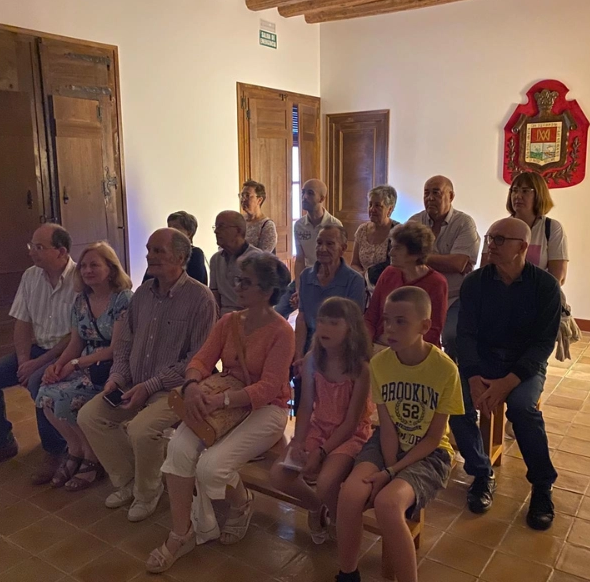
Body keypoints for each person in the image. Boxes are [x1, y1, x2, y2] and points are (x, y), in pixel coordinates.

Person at [146, 253, 293, 573]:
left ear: (267, 291)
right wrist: (193, 385)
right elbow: (200, 359)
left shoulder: (282, 331)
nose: (237, 286)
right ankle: (181, 533)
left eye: (245, 282)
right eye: (237, 279)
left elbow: (270, 387)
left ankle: (242, 504)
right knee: (178, 448)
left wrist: (224, 401)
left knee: (212, 466)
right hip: (222, 402)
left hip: (266, 410)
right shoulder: (229, 322)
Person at [78, 228, 216, 522]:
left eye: (158, 251)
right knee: (89, 416)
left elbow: (198, 359)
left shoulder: (200, 299)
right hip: (132, 382)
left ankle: (147, 493)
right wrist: (116, 377)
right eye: (148, 249)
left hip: (174, 390)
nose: (149, 256)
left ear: (180, 257)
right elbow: (125, 344)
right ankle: (127, 482)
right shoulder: (142, 294)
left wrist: (150, 385)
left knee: (141, 428)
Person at [335, 287, 464, 582]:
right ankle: (347, 574)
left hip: (429, 453)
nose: (390, 329)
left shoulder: (445, 370)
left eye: (401, 322)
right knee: (351, 494)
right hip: (386, 444)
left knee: (388, 504)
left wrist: (391, 472)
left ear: (424, 326)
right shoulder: (380, 364)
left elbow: (434, 438)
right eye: (387, 320)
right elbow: (387, 426)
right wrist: (389, 467)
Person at [449, 218, 561, 531]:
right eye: (490, 238)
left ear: (523, 247)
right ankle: (482, 473)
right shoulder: (476, 283)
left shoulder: (546, 287)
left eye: (500, 240)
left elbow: (542, 345)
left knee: (524, 409)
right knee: (455, 403)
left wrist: (507, 383)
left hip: (523, 365)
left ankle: (541, 486)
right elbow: (465, 336)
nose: (491, 245)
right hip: (483, 361)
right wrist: (472, 377)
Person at [0, 224, 75, 484]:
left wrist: (37, 365)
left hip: (68, 352)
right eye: (31, 246)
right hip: (38, 350)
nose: (31, 253)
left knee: (39, 381)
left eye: (39, 247)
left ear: (61, 251)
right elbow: (22, 322)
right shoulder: (31, 276)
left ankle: (55, 451)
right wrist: (24, 360)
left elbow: (76, 334)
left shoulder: (80, 278)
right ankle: (0, 443)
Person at [270, 297, 374, 544]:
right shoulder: (311, 360)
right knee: (278, 475)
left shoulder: (361, 369)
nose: (325, 328)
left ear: (351, 329)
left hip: (350, 434)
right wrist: (299, 440)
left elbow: (351, 422)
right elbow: (305, 406)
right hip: (318, 427)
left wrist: (322, 451)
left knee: (327, 482)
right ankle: (317, 507)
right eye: (323, 321)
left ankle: (341, 522)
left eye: (334, 323)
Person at [36, 242, 133, 491]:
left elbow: (115, 348)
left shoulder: (123, 299)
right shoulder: (80, 301)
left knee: (67, 397)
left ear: (110, 269)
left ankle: (91, 457)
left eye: (95, 265)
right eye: (85, 266)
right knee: (45, 393)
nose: (88, 270)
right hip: (84, 364)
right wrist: (57, 366)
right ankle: (76, 449)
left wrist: (76, 364)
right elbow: (75, 342)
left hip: (113, 368)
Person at [408, 175, 480, 362]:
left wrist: (419, 257)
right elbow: (404, 260)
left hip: (454, 297)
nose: (430, 198)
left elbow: (458, 263)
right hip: (420, 295)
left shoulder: (464, 223)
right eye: (426, 193)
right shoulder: (414, 223)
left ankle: (453, 377)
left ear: (451, 196)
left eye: (436, 193)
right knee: (410, 334)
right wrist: (447, 262)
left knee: (452, 337)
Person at [294, 225, 366, 408]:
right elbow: (301, 318)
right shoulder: (305, 276)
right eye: (319, 243)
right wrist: (298, 354)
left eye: (329, 244)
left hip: (342, 346)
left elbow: (353, 327)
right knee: (297, 375)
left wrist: (320, 354)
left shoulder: (354, 280)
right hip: (311, 338)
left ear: (342, 248)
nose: (322, 248)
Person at [365, 222, 448, 349]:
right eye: (391, 247)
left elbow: (432, 332)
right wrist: (366, 345)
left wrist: (399, 347)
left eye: (397, 248)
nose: (390, 253)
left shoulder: (437, 283)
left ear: (415, 254)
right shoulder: (388, 273)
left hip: (414, 352)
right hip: (379, 345)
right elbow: (371, 317)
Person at [275, 178, 342, 318]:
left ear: (321, 198)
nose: (304, 197)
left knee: (315, 314)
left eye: (310, 193)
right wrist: (299, 289)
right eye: (303, 192)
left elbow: (336, 262)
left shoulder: (334, 225)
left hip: (326, 277)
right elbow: (299, 259)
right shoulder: (299, 225)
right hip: (305, 276)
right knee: (278, 311)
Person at [499, 171, 568, 285]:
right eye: (514, 190)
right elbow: (487, 269)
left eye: (525, 191)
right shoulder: (500, 228)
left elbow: (558, 277)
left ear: (539, 195)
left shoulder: (551, 228)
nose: (518, 196)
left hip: (540, 296)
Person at [209, 210, 263, 315]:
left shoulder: (257, 258)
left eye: (221, 227)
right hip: (224, 317)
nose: (216, 231)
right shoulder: (215, 259)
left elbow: (261, 298)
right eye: (215, 227)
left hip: (249, 315)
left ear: (238, 230)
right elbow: (214, 296)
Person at [143, 211, 207, 285]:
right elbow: (146, 282)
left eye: (176, 228)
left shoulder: (196, 253)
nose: (170, 231)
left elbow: (196, 282)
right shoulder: (160, 254)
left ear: (189, 233)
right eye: (169, 227)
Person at [351, 185, 399, 283]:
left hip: (388, 284)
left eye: (378, 205)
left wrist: (369, 276)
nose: (372, 209)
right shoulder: (362, 230)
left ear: (389, 209)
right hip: (362, 284)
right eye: (370, 204)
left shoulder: (398, 231)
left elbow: (398, 267)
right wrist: (362, 276)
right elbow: (354, 263)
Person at [240, 180, 277, 254]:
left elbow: (262, 256)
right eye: (242, 195)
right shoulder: (239, 220)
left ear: (259, 200)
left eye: (247, 196)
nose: (243, 199)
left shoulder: (267, 226)